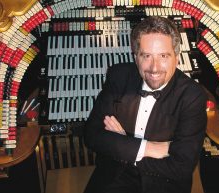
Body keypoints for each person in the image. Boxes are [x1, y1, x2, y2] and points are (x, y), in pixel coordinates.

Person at [84, 16, 207, 193]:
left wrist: (125, 146)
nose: (154, 67)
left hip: (163, 183)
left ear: (177, 58)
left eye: (163, 56)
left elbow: (182, 167)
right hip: (114, 177)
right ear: (136, 57)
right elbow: (92, 135)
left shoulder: (192, 96)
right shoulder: (119, 76)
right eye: (146, 56)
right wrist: (150, 148)